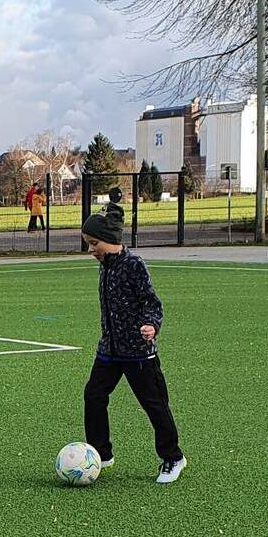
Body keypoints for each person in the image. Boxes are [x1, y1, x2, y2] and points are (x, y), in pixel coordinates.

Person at [81, 207, 185, 484]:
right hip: (109, 351)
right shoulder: (105, 267)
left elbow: (153, 303)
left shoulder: (133, 265)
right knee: (93, 395)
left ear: (110, 239)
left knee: (154, 403)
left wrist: (152, 325)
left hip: (138, 352)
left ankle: (173, 457)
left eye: (94, 243)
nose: (91, 250)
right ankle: (100, 454)